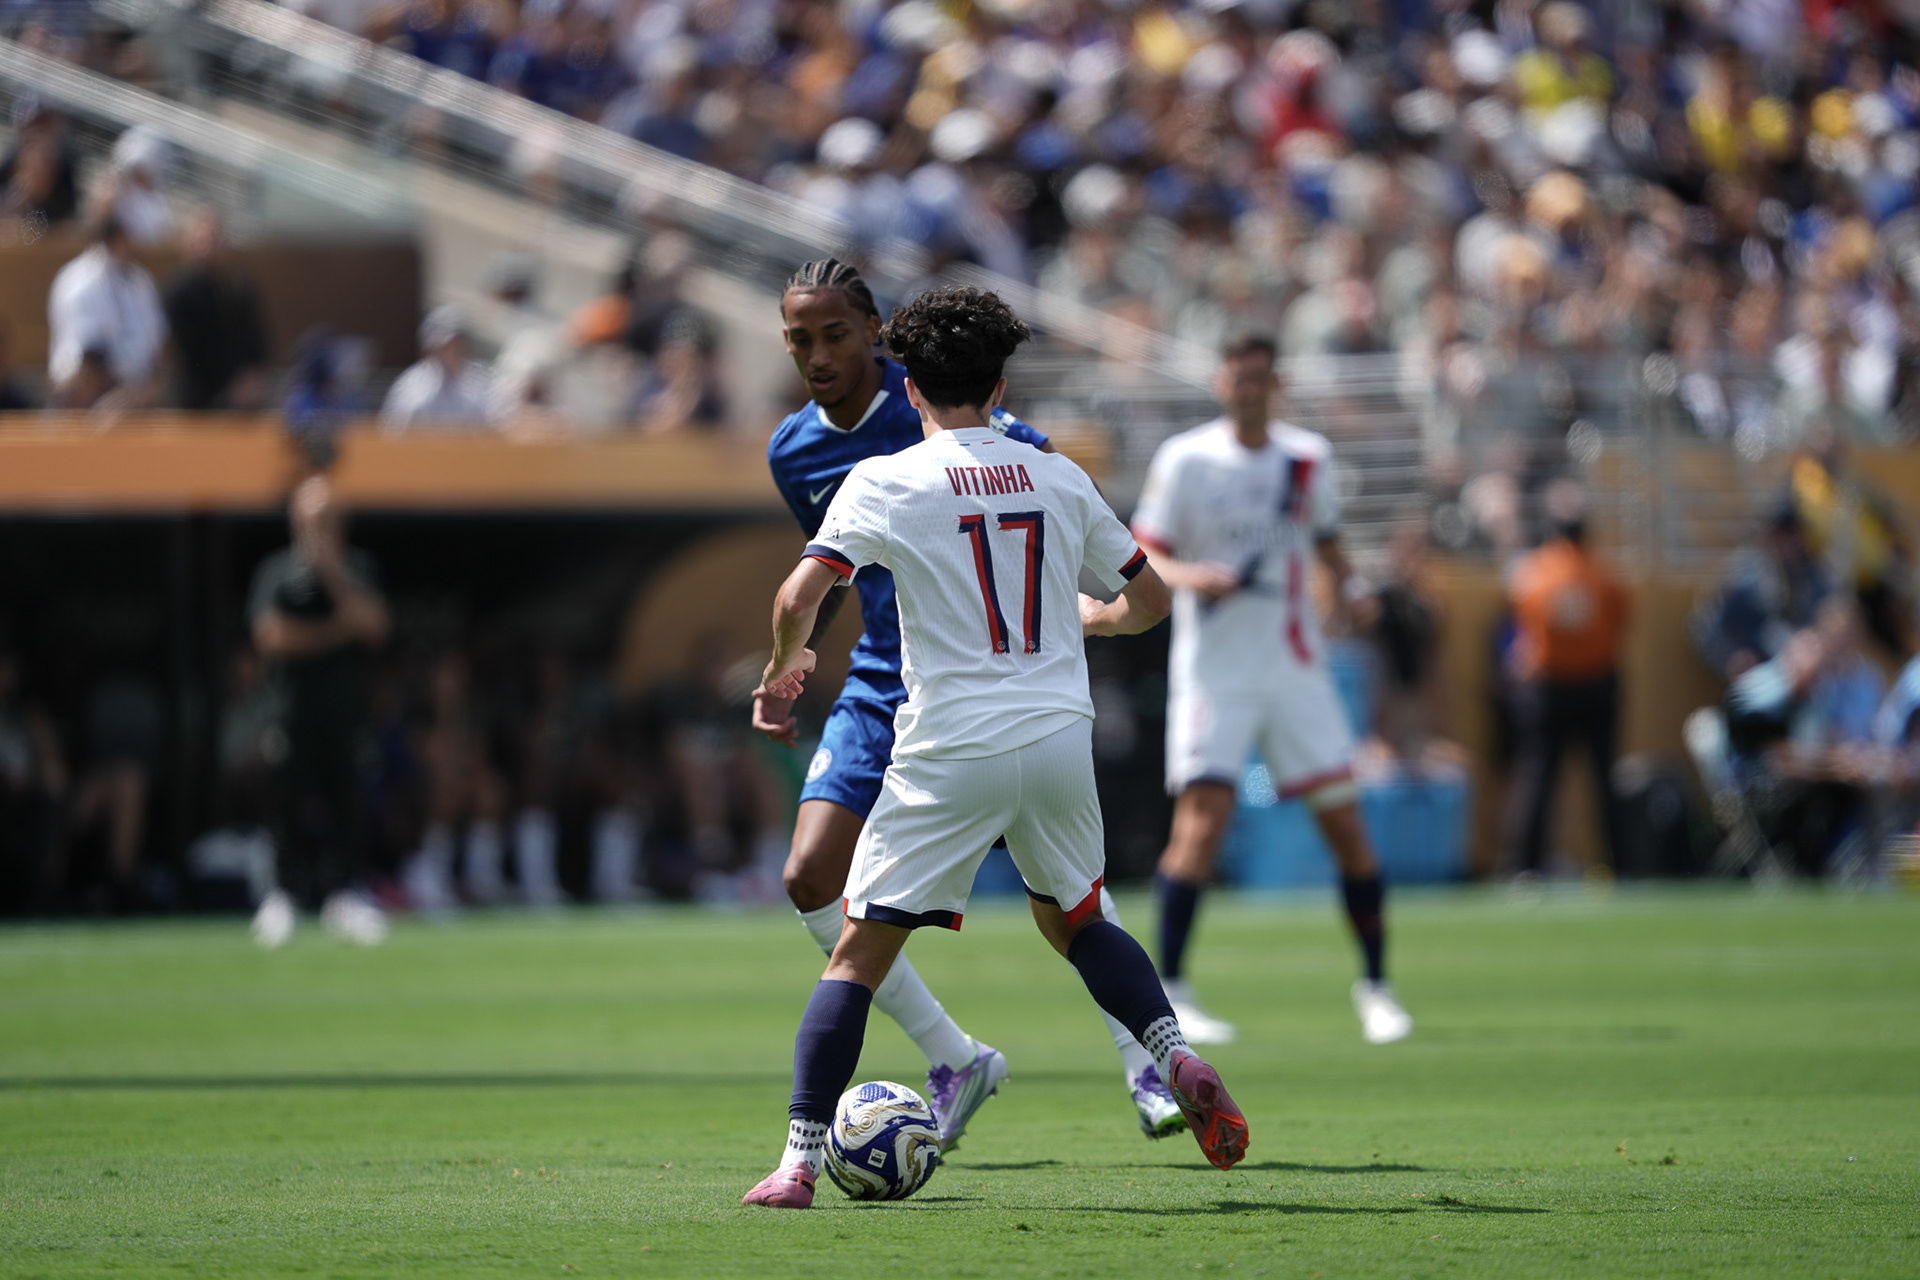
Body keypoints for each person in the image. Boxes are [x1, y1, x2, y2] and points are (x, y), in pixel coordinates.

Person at [743, 286, 1245, 1209]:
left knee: (857, 952)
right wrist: (1093, 620)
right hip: (1057, 736)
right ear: (1001, 381)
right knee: (1082, 920)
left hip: (949, 746)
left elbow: (795, 598)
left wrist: (786, 665)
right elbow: (1155, 598)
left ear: (914, 390)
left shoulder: (885, 477)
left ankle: (800, 1161)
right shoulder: (1055, 474)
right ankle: (1171, 1057)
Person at [1132, 333, 1414, 1047]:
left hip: (1294, 667)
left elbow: (1327, 542)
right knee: (1199, 828)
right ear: (1221, 379)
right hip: (1215, 671)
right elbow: (1143, 549)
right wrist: (1195, 576)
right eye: (1238, 375)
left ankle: (1376, 987)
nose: (1248, 388)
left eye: (1260, 377)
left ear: (1274, 383)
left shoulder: (1306, 457)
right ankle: (1174, 993)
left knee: (1347, 829)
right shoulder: (1186, 458)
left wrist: (1350, 589)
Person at [247, 475, 393, 947]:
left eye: (329, 520)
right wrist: (336, 630)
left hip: (346, 716)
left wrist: (332, 574)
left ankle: (344, 895)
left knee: (347, 806)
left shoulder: (358, 568)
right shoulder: (277, 572)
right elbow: (272, 638)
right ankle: (282, 898)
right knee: (285, 810)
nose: (320, 528)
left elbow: (374, 626)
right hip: (291, 714)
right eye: (313, 519)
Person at [1502, 481, 1632, 877]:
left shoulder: (1533, 574)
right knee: (1603, 780)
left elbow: (1521, 621)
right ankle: (1618, 862)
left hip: (1548, 687)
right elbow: (1623, 619)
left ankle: (1525, 865)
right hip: (1597, 684)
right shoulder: (1606, 576)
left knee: (1538, 776)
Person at [47, 212, 167, 410]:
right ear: (118, 238)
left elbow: (154, 345)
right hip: (82, 390)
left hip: (133, 391)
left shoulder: (141, 281)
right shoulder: (78, 282)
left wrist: (141, 391)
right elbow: (89, 355)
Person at [162, 208, 270, 411]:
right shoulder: (179, 292)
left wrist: (252, 374)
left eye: (217, 240)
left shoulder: (237, 288)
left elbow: (256, 338)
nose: (211, 247)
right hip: (199, 399)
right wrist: (234, 381)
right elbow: (194, 350)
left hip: (243, 394)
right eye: (205, 240)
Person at [380, 304, 496, 430]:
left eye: (458, 343)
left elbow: (494, 426)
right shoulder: (411, 384)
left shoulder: (481, 382)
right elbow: (394, 430)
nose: (452, 351)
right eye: (445, 346)